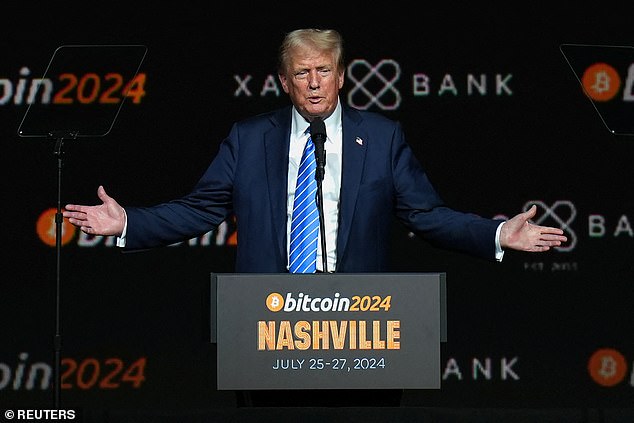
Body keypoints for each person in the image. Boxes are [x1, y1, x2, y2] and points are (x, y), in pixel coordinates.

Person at [63, 28, 566, 406]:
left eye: (324, 70)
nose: (314, 82)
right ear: (284, 81)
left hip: (363, 335)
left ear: (342, 75)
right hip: (269, 332)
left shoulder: (383, 138)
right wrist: (129, 222)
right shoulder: (249, 137)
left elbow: (427, 215)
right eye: (302, 72)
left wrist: (497, 232)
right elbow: (201, 209)